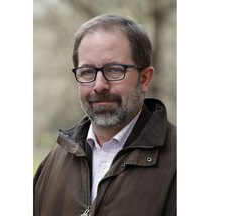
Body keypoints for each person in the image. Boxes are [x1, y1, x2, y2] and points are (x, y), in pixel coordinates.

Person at [34, 14, 176, 216]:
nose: (99, 85)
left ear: (144, 79)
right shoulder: (53, 163)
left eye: (114, 70)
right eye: (87, 72)